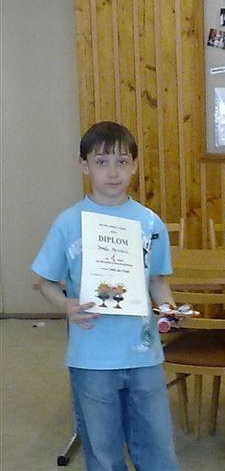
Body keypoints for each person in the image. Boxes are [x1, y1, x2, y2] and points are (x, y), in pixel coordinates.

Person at [32, 121, 180, 471]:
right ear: (84, 166)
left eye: (122, 161)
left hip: (143, 353)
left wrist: (170, 309)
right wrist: (66, 305)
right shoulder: (68, 222)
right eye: (101, 162)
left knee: (157, 447)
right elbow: (44, 282)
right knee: (103, 451)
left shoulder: (150, 223)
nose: (113, 172)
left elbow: (157, 281)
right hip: (92, 356)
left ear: (135, 165)